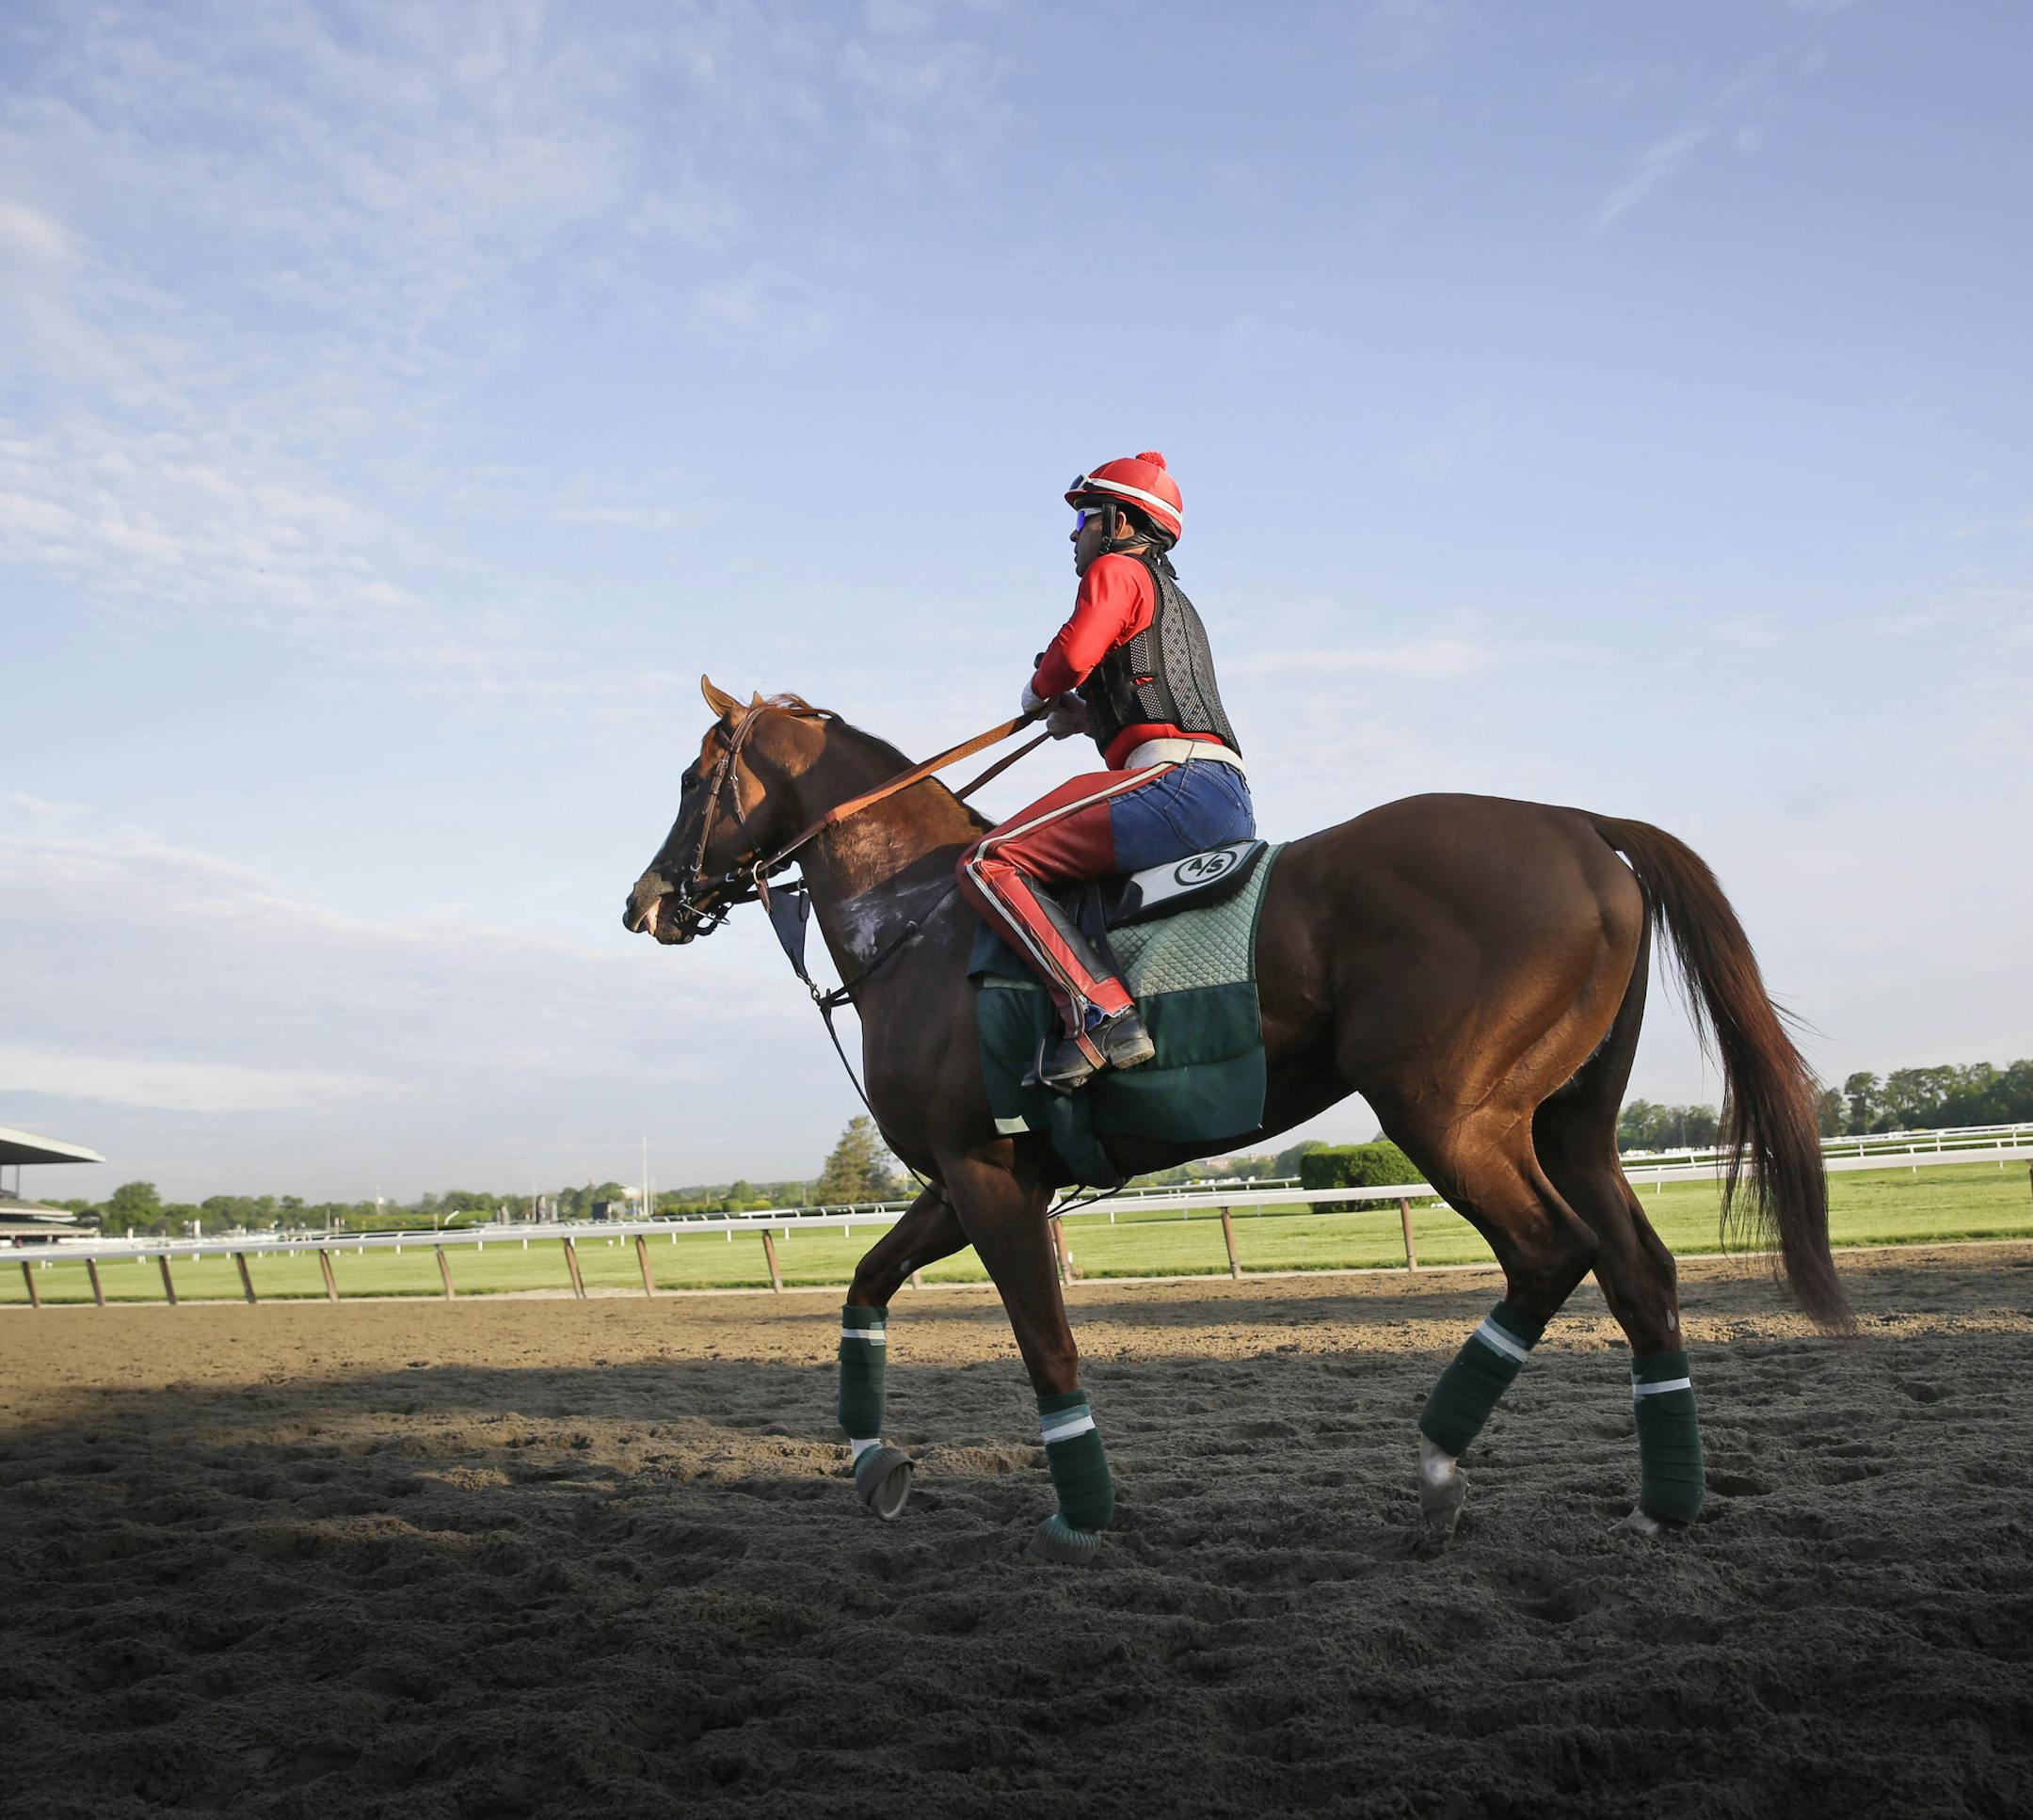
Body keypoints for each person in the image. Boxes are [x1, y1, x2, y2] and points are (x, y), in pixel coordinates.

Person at [956, 452, 1255, 1093]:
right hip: (1220, 792)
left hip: (1174, 786)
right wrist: (1086, 720)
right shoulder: (1171, 596)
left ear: (1119, 521)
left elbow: (1073, 654)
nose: (1074, 533)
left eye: (1085, 516)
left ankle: (1102, 1011)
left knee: (987, 860)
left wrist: (1039, 690)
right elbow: (1154, 701)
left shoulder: (1117, 569)